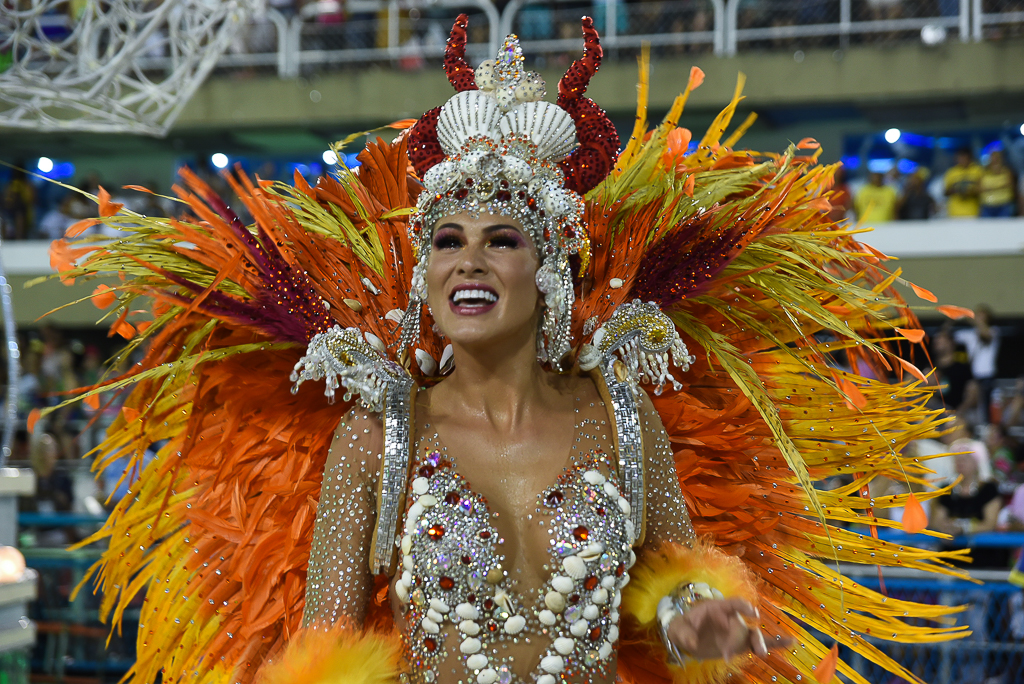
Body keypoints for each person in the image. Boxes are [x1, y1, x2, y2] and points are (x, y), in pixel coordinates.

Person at [51, 17, 966, 684]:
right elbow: (326, 650)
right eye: (446, 240)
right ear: (423, 276)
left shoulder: (621, 416)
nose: (469, 261)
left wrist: (702, 625)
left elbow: (678, 586)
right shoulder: (380, 435)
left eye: (502, 239)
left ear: (551, 269)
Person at [954, 305, 1000, 423]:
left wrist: (974, 320)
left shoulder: (994, 331)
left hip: (987, 376)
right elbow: (950, 335)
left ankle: (987, 427)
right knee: (974, 406)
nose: (978, 318)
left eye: (981, 316)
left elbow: (986, 335)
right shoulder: (970, 334)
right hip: (973, 376)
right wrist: (954, 316)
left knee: (986, 406)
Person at [943, 147, 983, 218]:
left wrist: (971, 191)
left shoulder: (977, 170)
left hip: (973, 211)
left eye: (964, 158)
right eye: (960, 158)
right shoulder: (952, 172)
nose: (962, 160)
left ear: (969, 158)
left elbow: (982, 189)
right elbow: (945, 192)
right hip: (955, 213)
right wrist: (956, 190)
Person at [979, 148, 1018, 217]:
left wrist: (990, 188)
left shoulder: (1007, 172)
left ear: (1001, 160)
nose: (994, 161)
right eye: (992, 159)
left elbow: (1010, 185)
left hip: (1004, 205)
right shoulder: (984, 173)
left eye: (996, 159)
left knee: (1005, 227)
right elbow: (979, 188)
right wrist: (999, 186)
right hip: (987, 206)